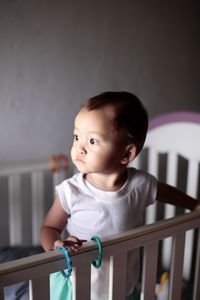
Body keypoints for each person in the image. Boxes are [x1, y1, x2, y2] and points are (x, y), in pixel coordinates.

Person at [40, 91, 199, 300]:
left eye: (93, 141)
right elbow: (49, 228)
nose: (79, 147)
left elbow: (166, 192)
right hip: (76, 287)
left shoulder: (140, 185)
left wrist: (194, 204)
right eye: (77, 137)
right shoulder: (71, 191)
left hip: (123, 287)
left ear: (126, 154)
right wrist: (56, 245)